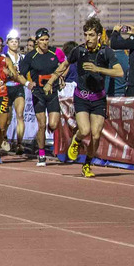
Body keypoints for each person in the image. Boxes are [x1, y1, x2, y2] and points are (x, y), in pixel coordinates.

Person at [52, 17, 121, 177]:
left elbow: (119, 72)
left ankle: (87, 164)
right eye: (86, 35)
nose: (88, 38)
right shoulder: (79, 50)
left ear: (99, 36)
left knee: (96, 135)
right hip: (81, 97)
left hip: (98, 98)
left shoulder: (106, 52)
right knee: (84, 130)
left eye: (91, 35)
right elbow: (64, 65)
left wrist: (98, 69)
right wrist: (51, 81)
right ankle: (76, 140)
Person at [18, 29, 62, 164]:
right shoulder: (31, 56)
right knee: (41, 125)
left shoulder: (55, 52)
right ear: (37, 41)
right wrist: (27, 83)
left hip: (52, 92)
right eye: (42, 40)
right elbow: (20, 75)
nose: (44, 42)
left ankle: (48, 130)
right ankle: (41, 154)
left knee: (53, 124)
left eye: (46, 39)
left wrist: (61, 77)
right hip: (38, 94)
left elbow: (65, 65)